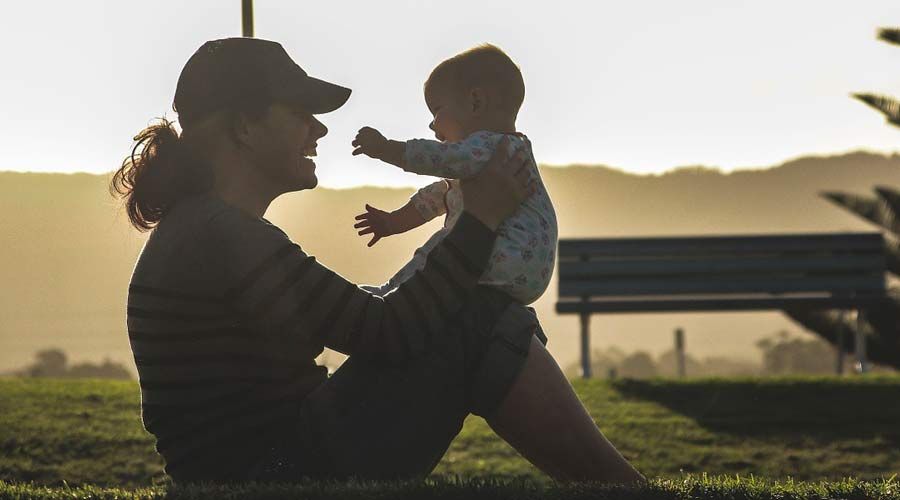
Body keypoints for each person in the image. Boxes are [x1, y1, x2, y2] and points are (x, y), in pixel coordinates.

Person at [111, 37, 643, 484]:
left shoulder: (205, 230)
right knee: (480, 317)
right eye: (301, 114)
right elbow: (387, 331)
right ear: (244, 127)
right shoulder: (219, 236)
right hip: (275, 473)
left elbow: (356, 316)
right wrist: (481, 220)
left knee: (476, 312)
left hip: (264, 465)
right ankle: (625, 490)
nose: (318, 131)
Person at [351, 44, 557, 307]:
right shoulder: (499, 156)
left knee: (442, 249)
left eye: (436, 111)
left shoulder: (494, 146)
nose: (431, 124)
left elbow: (439, 159)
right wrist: (392, 223)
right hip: (525, 272)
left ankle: (392, 296)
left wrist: (385, 148)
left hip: (506, 256)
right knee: (449, 248)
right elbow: (439, 197)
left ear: (476, 102)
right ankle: (393, 294)